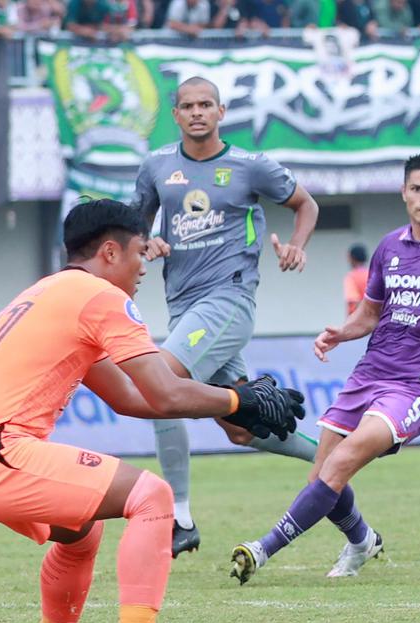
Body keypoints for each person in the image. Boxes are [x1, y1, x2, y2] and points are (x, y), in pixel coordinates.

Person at [0, 200, 304, 623]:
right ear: (110, 251)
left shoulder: (54, 291)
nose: (144, 267)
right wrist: (238, 401)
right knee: (152, 496)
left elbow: (132, 397)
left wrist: (230, 402)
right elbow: (165, 393)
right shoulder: (100, 297)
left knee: (82, 528)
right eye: (140, 254)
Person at [230, 151, 420, 583]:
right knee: (322, 475)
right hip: (369, 373)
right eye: (417, 190)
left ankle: (262, 548)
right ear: (404, 194)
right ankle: (362, 540)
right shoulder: (389, 246)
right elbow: (371, 314)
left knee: (342, 461)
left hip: (418, 386)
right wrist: (340, 333)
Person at [131, 76, 321, 558]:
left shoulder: (249, 166)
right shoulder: (156, 167)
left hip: (229, 301)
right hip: (184, 308)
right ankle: (332, 457)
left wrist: (296, 245)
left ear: (221, 111)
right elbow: (136, 228)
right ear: (175, 115)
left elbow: (305, 203)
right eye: (188, 106)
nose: (197, 112)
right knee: (244, 426)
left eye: (206, 105)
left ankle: (179, 517)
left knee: (158, 387)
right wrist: (147, 243)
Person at [344, 243, 369, 315]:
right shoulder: (372, 274)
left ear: (352, 258)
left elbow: (353, 302)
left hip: (358, 320)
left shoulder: (352, 277)